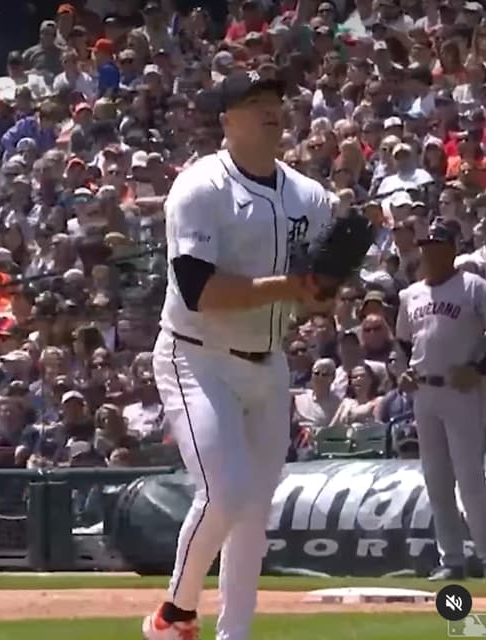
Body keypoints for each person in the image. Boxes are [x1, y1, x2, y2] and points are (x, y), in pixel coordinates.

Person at [143, 70, 331, 640]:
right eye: (254, 102)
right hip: (197, 357)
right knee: (225, 493)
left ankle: (237, 633)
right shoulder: (200, 187)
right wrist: (291, 287)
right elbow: (198, 290)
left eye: (274, 100)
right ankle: (176, 612)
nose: (270, 110)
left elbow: (317, 289)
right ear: (226, 120)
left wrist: (324, 290)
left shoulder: (310, 196)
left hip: (268, 362)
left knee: (255, 509)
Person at [396, 218, 486, 580]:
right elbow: (404, 342)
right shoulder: (410, 295)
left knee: (470, 478)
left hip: (461, 390)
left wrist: (479, 369)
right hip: (424, 392)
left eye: (436, 245)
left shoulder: (473, 286)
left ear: (452, 248)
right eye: (426, 246)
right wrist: (402, 371)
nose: (429, 252)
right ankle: (452, 559)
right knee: (436, 480)